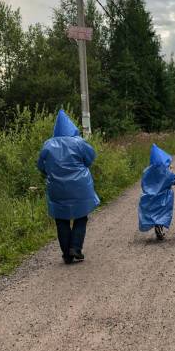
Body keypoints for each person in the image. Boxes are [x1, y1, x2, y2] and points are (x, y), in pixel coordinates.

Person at [38, 109, 100, 264]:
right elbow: (90, 159)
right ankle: (76, 248)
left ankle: (66, 254)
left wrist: (51, 173)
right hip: (80, 186)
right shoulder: (79, 142)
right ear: (71, 127)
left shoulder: (48, 145)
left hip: (57, 187)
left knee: (61, 219)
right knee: (81, 216)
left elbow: (41, 166)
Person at [138, 144, 175, 240]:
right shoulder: (166, 172)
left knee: (152, 210)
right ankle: (159, 225)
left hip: (150, 197)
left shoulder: (147, 171)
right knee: (164, 208)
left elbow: (143, 184)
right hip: (164, 197)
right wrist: (171, 171)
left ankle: (156, 225)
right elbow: (174, 180)